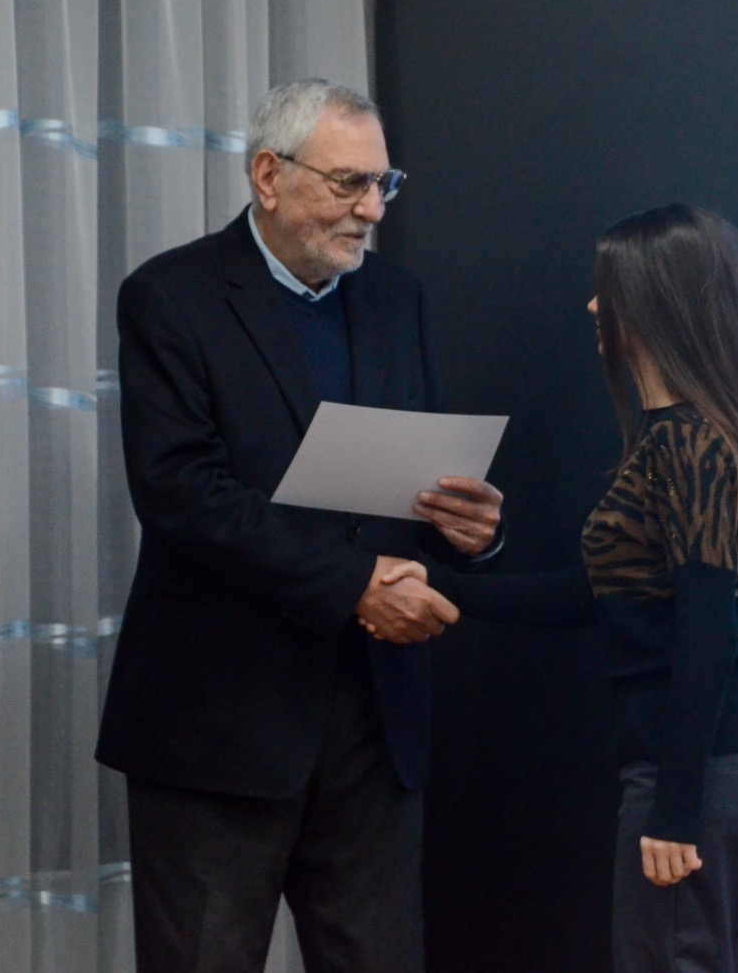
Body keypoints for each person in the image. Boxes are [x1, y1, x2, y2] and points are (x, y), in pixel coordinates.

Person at [95, 77, 503, 973]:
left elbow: (413, 479)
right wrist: (354, 586)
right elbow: (181, 493)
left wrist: (467, 528)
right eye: (349, 183)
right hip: (218, 724)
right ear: (268, 176)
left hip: (374, 724)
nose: (372, 211)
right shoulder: (170, 296)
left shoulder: (396, 297)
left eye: (384, 185)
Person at [384, 204, 738, 972]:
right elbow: (600, 594)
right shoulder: (678, 437)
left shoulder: (685, 442)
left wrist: (675, 810)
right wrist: (448, 586)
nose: (592, 305)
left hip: (701, 771)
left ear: (655, 301)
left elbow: (706, 632)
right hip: (726, 764)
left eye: (608, 288)